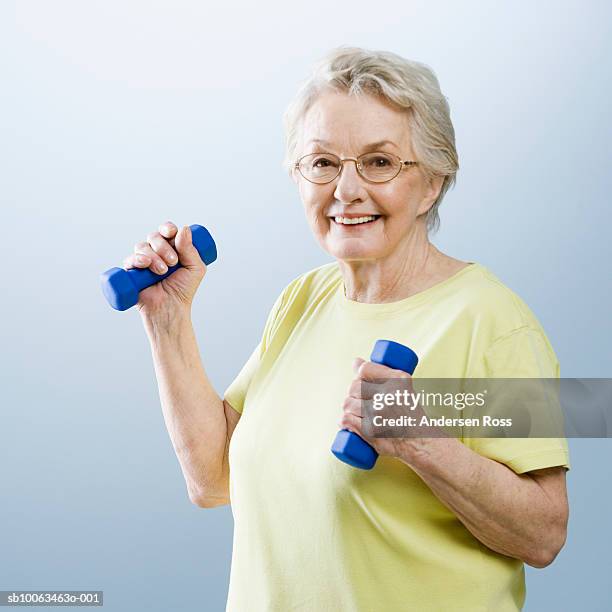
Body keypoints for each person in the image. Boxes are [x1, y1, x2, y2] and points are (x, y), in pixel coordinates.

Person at [122, 47, 570, 611]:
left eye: (379, 162)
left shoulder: (494, 322)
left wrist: (422, 443)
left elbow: (544, 534)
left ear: (431, 182)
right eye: (323, 163)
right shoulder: (303, 299)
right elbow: (213, 479)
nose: (346, 190)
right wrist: (167, 321)